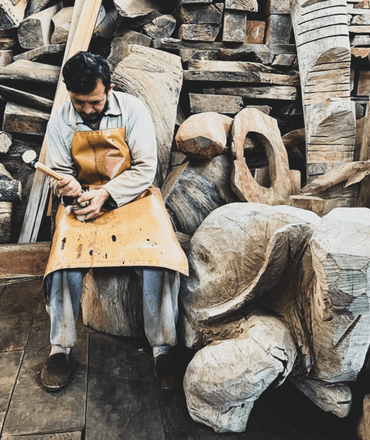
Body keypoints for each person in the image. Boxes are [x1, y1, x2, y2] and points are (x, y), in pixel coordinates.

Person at [40, 51, 188, 393]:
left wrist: (108, 194)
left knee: (161, 255)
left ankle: (163, 346)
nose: (88, 110)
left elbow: (144, 169)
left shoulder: (133, 110)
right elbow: (59, 173)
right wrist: (69, 186)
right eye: (80, 102)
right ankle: (59, 347)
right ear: (69, 94)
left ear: (108, 88)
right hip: (84, 200)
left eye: (94, 101)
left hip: (130, 195)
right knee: (62, 258)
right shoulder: (61, 119)